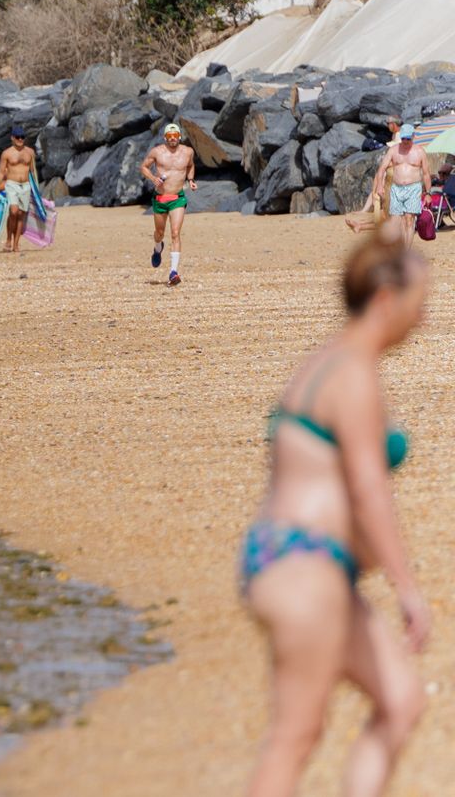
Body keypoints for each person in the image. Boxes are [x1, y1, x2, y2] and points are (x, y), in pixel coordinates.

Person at [242, 237, 429, 797]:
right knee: (296, 735)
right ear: (386, 298)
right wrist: (406, 587)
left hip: (307, 564)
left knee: (400, 700)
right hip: (304, 561)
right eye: (421, 299)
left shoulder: (334, 361)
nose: (426, 315)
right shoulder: (352, 374)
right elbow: (368, 489)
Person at [140, 123, 198, 286]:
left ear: (179, 136)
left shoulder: (187, 152)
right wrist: (153, 179)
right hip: (160, 199)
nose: (173, 139)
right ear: (165, 137)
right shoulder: (157, 152)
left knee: (175, 233)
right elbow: (143, 167)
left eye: (175, 136)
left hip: (177, 198)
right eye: (169, 137)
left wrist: (191, 180)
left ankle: (173, 272)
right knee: (159, 232)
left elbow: (190, 165)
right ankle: (158, 247)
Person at [373, 125, 430, 247]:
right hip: (397, 188)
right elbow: (381, 169)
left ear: (413, 137)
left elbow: (426, 174)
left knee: (409, 219)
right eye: (403, 138)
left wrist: (428, 193)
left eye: (408, 139)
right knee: (395, 220)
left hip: (413, 188)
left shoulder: (419, 151)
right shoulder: (393, 150)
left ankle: (406, 251)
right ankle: (396, 248)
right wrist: (379, 186)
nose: (405, 141)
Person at [0, 126, 38, 254]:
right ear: (12, 138)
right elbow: (1, 172)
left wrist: (36, 189)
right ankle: (8, 239)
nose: (20, 139)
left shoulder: (30, 152)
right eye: (17, 137)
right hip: (12, 184)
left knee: (21, 215)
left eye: (22, 137)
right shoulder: (7, 153)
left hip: (25, 185)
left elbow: (33, 171)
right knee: (13, 211)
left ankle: (16, 243)